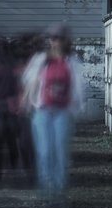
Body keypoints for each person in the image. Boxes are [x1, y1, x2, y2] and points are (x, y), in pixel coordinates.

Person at [20, 23, 84, 196]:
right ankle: (46, 185)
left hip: (62, 111)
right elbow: (29, 81)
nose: (54, 41)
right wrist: (26, 101)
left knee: (60, 150)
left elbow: (78, 87)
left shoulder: (71, 62)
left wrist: (76, 108)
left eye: (58, 38)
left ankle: (59, 186)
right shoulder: (41, 60)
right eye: (52, 38)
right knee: (44, 150)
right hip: (43, 110)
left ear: (65, 41)